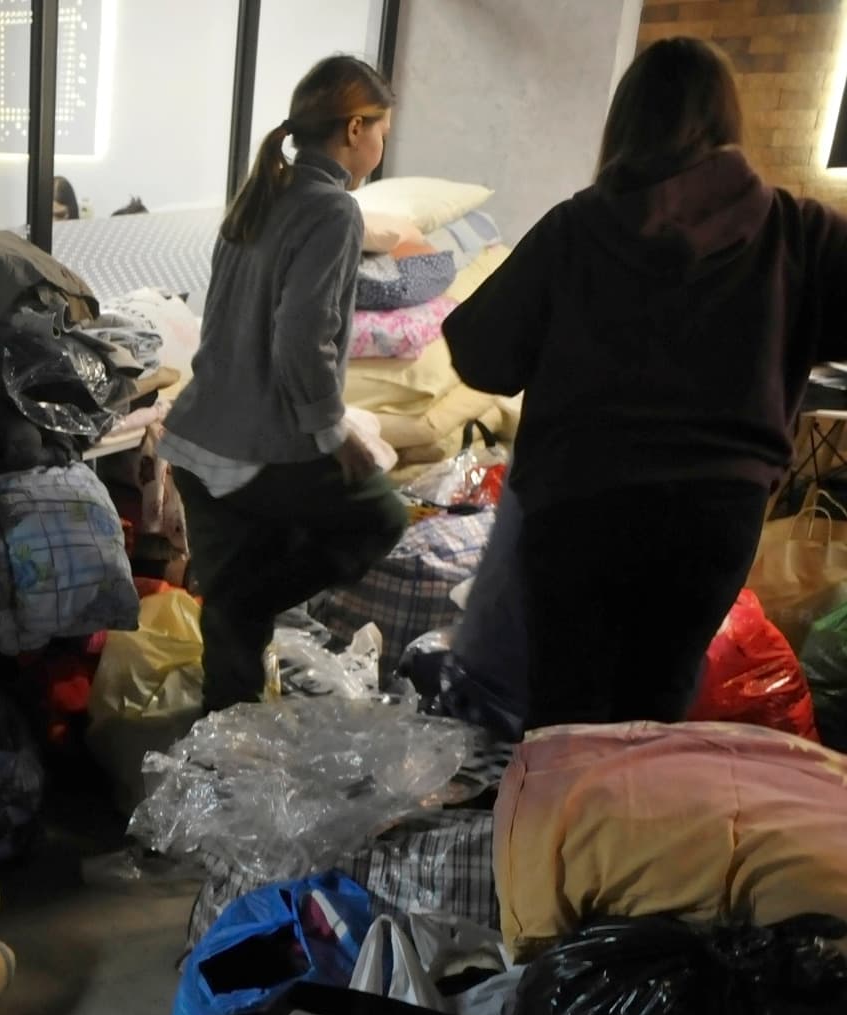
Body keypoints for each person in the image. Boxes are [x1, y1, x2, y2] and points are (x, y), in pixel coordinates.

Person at [444, 36, 847, 730]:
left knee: (566, 716)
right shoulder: (796, 232)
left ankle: (561, 799)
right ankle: (634, 798)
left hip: (578, 508)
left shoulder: (576, 229)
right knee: (652, 715)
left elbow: (482, 354)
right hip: (714, 517)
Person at [159, 55, 405, 715]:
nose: (381, 146)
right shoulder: (334, 209)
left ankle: (219, 756)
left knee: (234, 648)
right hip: (255, 449)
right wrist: (333, 432)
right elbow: (303, 337)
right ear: (354, 129)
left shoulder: (266, 193)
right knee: (381, 516)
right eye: (382, 131)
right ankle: (238, 604)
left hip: (195, 440)